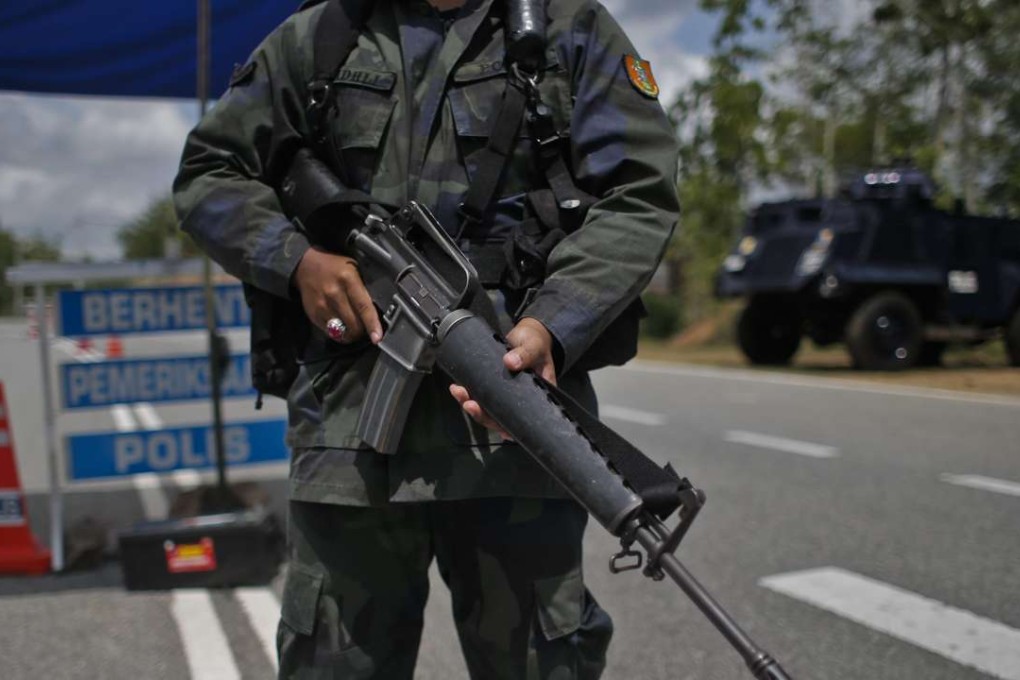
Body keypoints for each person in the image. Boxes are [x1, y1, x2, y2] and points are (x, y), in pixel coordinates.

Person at [173, 0, 679, 677]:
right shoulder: (324, 35)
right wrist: (298, 261)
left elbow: (639, 192)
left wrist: (552, 325)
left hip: (513, 428)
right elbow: (210, 172)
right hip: (349, 440)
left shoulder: (566, 30)